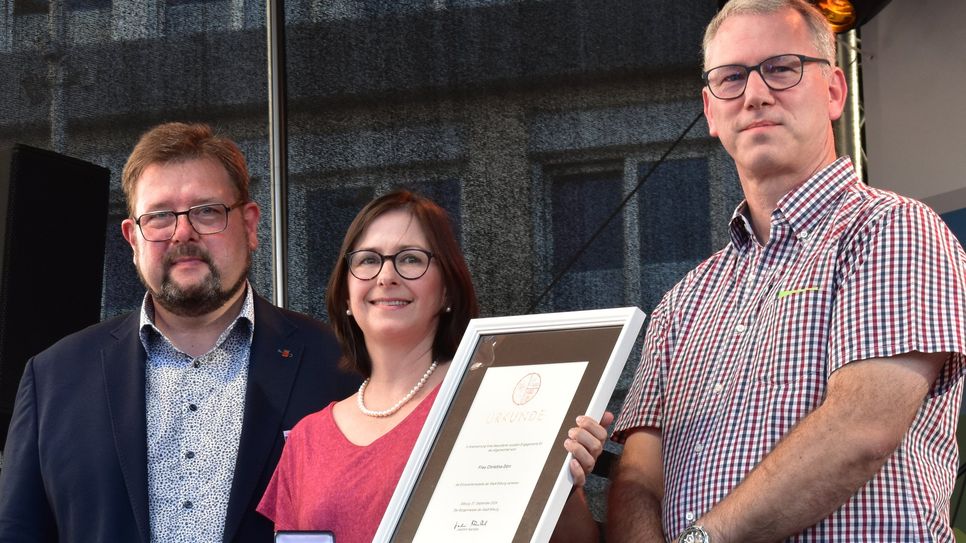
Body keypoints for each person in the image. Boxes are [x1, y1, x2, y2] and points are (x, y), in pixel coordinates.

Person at [607, 1, 966, 542]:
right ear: (710, 110)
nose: (755, 94)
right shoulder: (682, 303)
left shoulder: (894, 229)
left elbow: (861, 428)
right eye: (731, 77)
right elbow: (636, 478)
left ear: (835, 91)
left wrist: (702, 542)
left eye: (781, 68)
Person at [0, 122, 358, 543]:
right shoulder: (54, 378)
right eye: (160, 216)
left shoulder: (338, 367)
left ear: (250, 225)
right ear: (133, 239)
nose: (183, 232)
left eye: (207, 211)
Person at [257, 189, 611, 542]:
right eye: (367, 260)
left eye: (410, 259)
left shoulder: (489, 406)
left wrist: (561, 480)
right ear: (346, 294)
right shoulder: (307, 439)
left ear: (446, 291)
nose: (386, 276)